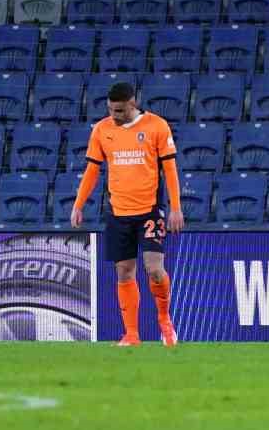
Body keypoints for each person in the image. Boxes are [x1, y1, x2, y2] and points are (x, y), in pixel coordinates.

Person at [71, 81, 184, 347]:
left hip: (149, 211)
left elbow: (169, 170)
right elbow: (92, 170)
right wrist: (78, 204)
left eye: (119, 111)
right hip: (118, 213)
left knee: (155, 270)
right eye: (111, 110)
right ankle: (131, 335)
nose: (114, 116)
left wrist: (176, 208)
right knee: (124, 272)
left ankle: (165, 322)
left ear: (132, 104)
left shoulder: (157, 126)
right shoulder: (101, 130)